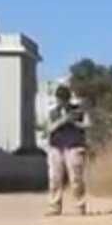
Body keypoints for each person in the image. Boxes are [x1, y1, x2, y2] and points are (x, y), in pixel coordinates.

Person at [45, 85, 90, 216]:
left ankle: (80, 206)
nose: (61, 101)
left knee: (76, 178)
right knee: (54, 178)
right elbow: (49, 129)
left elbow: (88, 125)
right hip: (56, 146)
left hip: (74, 145)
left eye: (63, 98)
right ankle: (54, 206)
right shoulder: (53, 112)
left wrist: (75, 122)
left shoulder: (78, 111)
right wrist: (63, 121)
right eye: (59, 98)